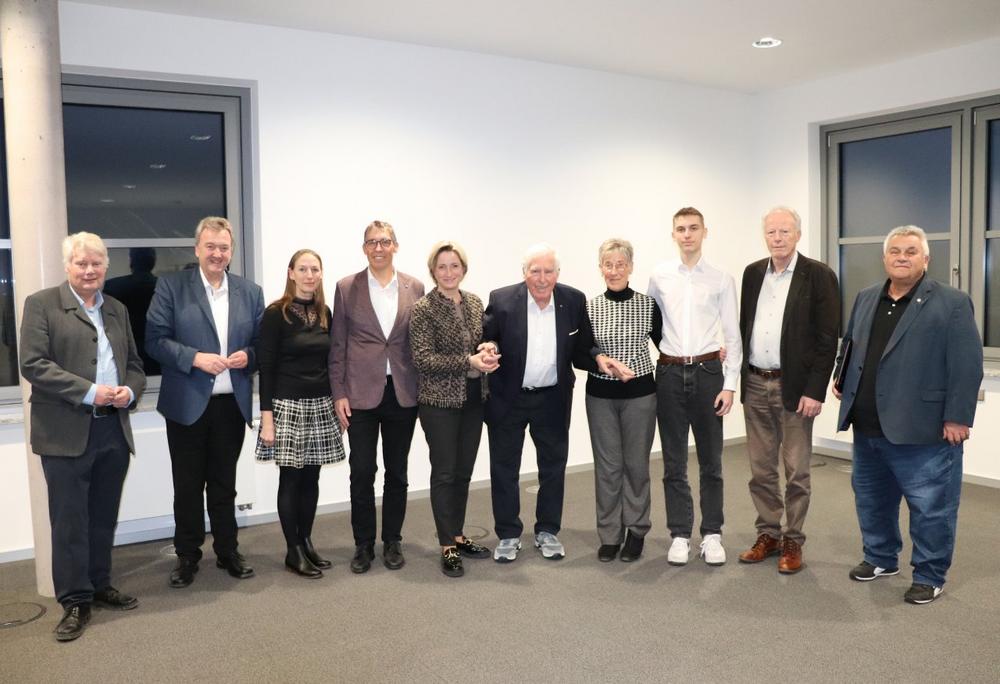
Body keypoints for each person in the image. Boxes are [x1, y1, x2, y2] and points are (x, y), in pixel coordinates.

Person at [834, 226, 982, 604]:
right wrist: (841, 377)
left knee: (931, 508)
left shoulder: (952, 302)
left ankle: (930, 574)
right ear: (885, 258)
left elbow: (967, 364)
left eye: (911, 251)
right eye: (895, 251)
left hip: (924, 429)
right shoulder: (867, 296)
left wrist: (958, 417)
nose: (902, 257)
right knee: (872, 500)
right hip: (868, 426)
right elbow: (850, 343)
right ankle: (881, 557)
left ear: (926, 259)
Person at [19, 232, 146, 642]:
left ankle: (99, 583)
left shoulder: (117, 309)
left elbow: (136, 365)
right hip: (65, 431)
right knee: (70, 521)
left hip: (112, 428)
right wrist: (90, 391)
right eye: (81, 263)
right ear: (67, 266)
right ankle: (74, 600)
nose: (89, 270)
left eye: (96, 263)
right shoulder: (42, 304)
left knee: (103, 516)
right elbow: (32, 363)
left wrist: (129, 391)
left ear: (106, 266)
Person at [483, 243, 626, 562]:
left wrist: (599, 359)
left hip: (552, 398)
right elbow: (488, 337)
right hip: (509, 398)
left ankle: (547, 530)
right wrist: (488, 347)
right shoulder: (502, 299)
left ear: (557, 273)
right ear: (524, 273)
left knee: (552, 467)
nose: (542, 278)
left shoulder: (572, 300)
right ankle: (508, 534)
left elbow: (582, 348)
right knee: (504, 468)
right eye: (535, 271)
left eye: (549, 271)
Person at [146, 216, 264, 588]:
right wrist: (195, 358)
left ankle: (228, 551)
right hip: (187, 405)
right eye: (210, 246)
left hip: (231, 405)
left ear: (232, 251)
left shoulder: (250, 292)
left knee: (224, 484)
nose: (217, 253)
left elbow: (263, 345)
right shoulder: (172, 286)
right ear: (197, 249)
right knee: (188, 486)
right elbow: (154, 340)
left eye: (224, 247)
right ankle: (187, 555)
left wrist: (249, 355)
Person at [738, 206, 839, 574]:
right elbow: (744, 325)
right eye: (771, 232)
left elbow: (828, 339)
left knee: (796, 470)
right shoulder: (752, 274)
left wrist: (815, 390)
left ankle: (793, 539)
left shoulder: (818, 275)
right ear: (764, 236)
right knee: (760, 469)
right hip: (754, 381)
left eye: (784, 231)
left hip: (794, 386)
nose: (777, 238)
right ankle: (768, 534)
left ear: (798, 234)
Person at [647, 208, 742, 567]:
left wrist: (729, 384)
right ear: (673, 234)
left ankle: (712, 534)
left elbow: (732, 335)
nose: (687, 234)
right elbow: (651, 323)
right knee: (673, 462)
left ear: (705, 232)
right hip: (669, 374)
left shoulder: (721, 279)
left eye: (693, 228)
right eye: (681, 229)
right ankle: (680, 534)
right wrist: (669, 352)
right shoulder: (659, 276)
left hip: (708, 374)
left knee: (711, 461)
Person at [329, 220, 424, 574]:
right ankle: (364, 544)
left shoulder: (415, 286)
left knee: (397, 472)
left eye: (384, 241)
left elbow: (419, 340)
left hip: (402, 392)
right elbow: (337, 346)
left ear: (395, 246)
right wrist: (338, 392)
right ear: (364, 248)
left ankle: (393, 540)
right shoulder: (346, 287)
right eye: (372, 242)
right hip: (359, 394)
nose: (378, 248)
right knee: (362, 471)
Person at [409, 241, 498, 577]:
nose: (449, 272)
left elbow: (480, 341)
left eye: (454, 266)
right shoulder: (423, 308)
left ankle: (459, 535)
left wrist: (487, 348)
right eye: (442, 266)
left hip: (474, 399)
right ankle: (447, 544)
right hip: (439, 403)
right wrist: (468, 361)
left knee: (463, 472)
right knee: (445, 473)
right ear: (433, 271)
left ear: (463, 269)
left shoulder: (474, 302)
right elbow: (423, 359)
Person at [256, 249, 346, 578]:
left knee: (312, 478)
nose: (310, 275)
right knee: (291, 479)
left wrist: (337, 402)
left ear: (321, 274)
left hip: (321, 404)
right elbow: (266, 368)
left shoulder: (325, 313)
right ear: (291, 272)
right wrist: (267, 418)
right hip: (287, 406)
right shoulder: (275, 313)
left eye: (315, 270)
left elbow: (333, 362)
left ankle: (306, 541)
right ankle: (292, 550)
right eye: (303, 269)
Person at [586, 238, 659, 563]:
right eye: (608, 264)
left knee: (636, 466)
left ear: (630, 267)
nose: (614, 271)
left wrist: (711, 351)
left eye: (620, 264)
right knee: (608, 468)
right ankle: (610, 535)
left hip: (640, 396)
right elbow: (582, 350)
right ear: (600, 268)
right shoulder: (589, 307)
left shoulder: (648, 305)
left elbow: (668, 344)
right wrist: (600, 358)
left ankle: (637, 530)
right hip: (600, 397)